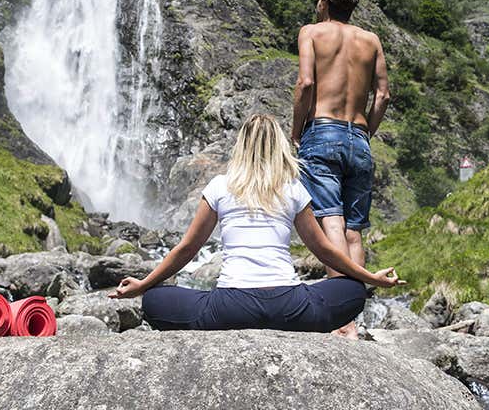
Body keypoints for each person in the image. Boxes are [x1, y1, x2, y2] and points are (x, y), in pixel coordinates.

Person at [108, 114, 402, 332]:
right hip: (290, 306)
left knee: (155, 300)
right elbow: (324, 250)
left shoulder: (220, 186)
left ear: (241, 146)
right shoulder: (292, 187)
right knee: (352, 291)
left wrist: (144, 286)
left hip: (228, 308)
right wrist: (369, 278)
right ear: (279, 147)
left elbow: (186, 249)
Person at [290, 0, 389, 338]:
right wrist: (366, 132)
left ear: (322, 1)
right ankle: (353, 316)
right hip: (359, 137)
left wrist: (297, 132)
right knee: (353, 230)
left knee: (330, 221)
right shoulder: (371, 40)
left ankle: (340, 320)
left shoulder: (312, 32)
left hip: (322, 131)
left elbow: (305, 83)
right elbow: (383, 96)